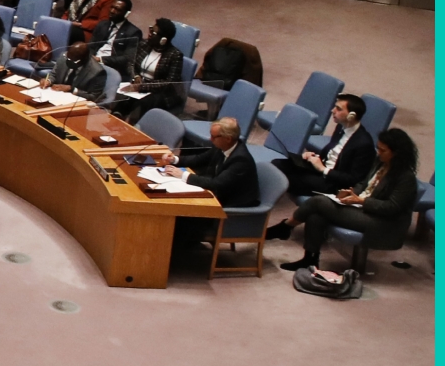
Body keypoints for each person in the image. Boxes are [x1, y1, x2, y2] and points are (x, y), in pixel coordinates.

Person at [271, 129, 420, 272]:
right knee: (316, 215)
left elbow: (391, 207)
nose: (379, 153)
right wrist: (351, 193)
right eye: (378, 148)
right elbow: (364, 183)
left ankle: (285, 226)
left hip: (383, 222)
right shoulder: (380, 162)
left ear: (396, 153)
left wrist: (361, 201)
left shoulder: (406, 178)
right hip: (362, 207)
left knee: (318, 202)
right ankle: (310, 259)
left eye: (383, 150)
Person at [159, 117, 259, 251]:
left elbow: (217, 184)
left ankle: (173, 254)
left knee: (183, 214)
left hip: (230, 202)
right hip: (217, 193)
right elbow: (199, 159)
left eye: (214, 136)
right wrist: (175, 159)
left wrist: (183, 175)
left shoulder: (240, 160)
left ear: (228, 138)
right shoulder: (222, 146)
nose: (210, 139)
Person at [271, 93, 378, 197]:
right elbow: (334, 152)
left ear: (351, 116)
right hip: (321, 168)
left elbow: (353, 179)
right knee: (278, 164)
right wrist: (314, 156)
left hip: (333, 183)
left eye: (338, 109)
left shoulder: (364, 144)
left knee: (290, 178)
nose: (332, 111)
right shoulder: (341, 127)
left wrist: (324, 169)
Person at [115, 18, 185, 124]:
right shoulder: (144, 44)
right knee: (123, 97)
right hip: (139, 85)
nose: (150, 34)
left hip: (160, 92)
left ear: (163, 40)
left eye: (154, 32)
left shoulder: (175, 55)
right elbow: (131, 63)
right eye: (151, 29)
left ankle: (136, 127)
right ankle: (116, 118)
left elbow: (170, 82)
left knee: (144, 103)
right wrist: (136, 77)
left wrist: (142, 86)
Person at [87, 0, 141, 76]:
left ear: (126, 14)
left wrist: (100, 59)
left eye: (117, 10)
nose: (112, 11)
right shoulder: (102, 24)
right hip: (92, 61)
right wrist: (90, 57)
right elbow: (91, 45)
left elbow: (127, 58)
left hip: (111, 66)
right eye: (111, 7)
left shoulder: (133, 32)